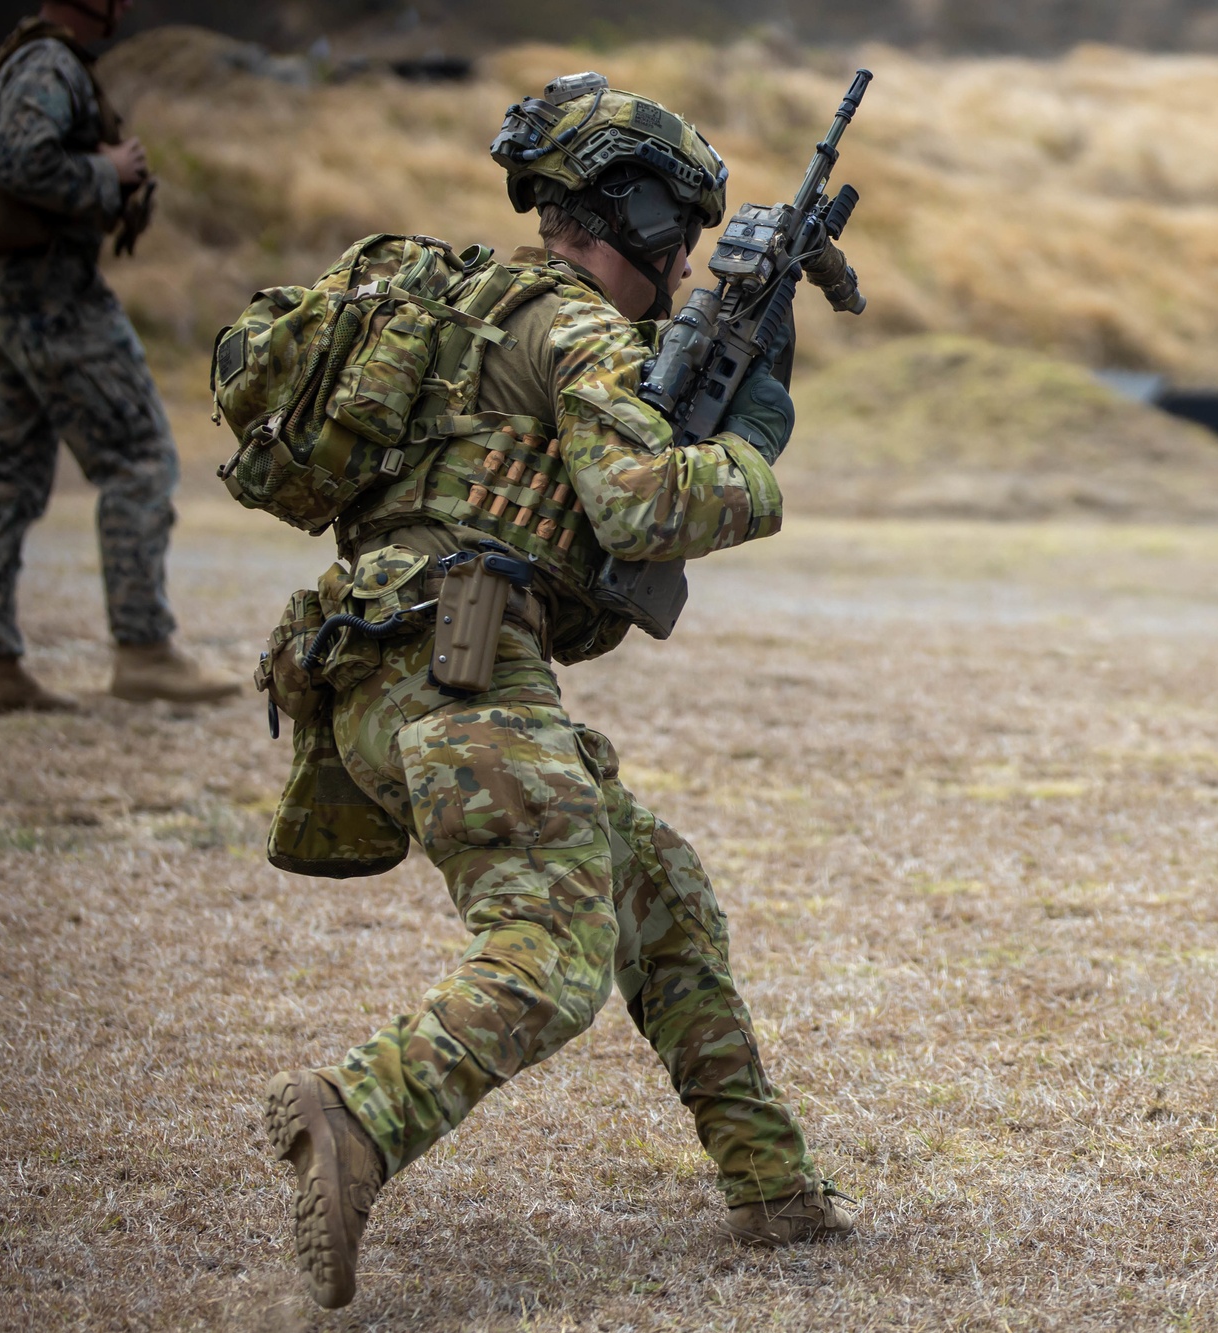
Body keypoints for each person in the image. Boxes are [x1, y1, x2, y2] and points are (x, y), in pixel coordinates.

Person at [259, 78, 853, 1311]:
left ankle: (774, 1185)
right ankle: (357, 1114)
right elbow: (644, 506)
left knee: (657, 885)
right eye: (675, 239)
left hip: (377, 675)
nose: (682, 267)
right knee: (552, 947)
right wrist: (751, 450)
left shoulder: (468, 311)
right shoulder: (575, 331)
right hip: (462, 667)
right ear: (627, 214)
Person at [0, 1, 239, 714]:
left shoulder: (22, 58)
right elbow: (22, 163)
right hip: (52, 293)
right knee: (140, 457)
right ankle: (144, 651)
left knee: (8, 474)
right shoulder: (48, 64)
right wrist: (107, 170)